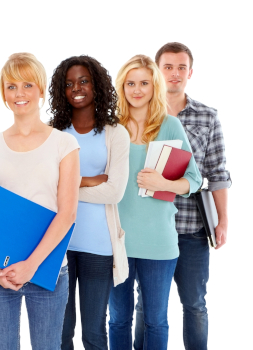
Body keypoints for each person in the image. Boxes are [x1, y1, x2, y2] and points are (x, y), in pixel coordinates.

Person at [0, 52, 80, 350]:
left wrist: (31, 265)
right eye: (11, 86)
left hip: (47, 269)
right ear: (3, 94)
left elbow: (67, 212)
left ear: (41, 89)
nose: (19, 94)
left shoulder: (64, 144)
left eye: (27, 85)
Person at [132, 42, 232, 350]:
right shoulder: (139, 115)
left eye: (181, 68)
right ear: (157, 72)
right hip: (148, 230)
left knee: (194, 304)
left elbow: (217, 173)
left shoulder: (207, 118)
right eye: (168, 67)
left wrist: (223, 221)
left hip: (191, 231)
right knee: (145, 306)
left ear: (190, 72)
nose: (175, 74)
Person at [108, 54, 201, 350]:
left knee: (155, 320)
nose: (137, 90)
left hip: (158, 242)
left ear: (154, 86)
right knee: (118, 319)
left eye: (144, 83)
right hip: (116, 241)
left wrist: (165, 184)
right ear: (121, 87)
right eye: (131, 83)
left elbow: (194, 180)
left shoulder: (169, 125)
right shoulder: (110, 127)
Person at [49, 55, 130, 350]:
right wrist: (88, 179)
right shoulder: (53, 133)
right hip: (59, 245)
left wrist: (69, 185)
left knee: (94, 334)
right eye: (69, 84)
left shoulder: (115, 133)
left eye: (84, 81)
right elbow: (46, 187)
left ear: (97, 86)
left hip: (99, 247)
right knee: (60, 331)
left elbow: (114, 192)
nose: (77, 88)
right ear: (62, 91)